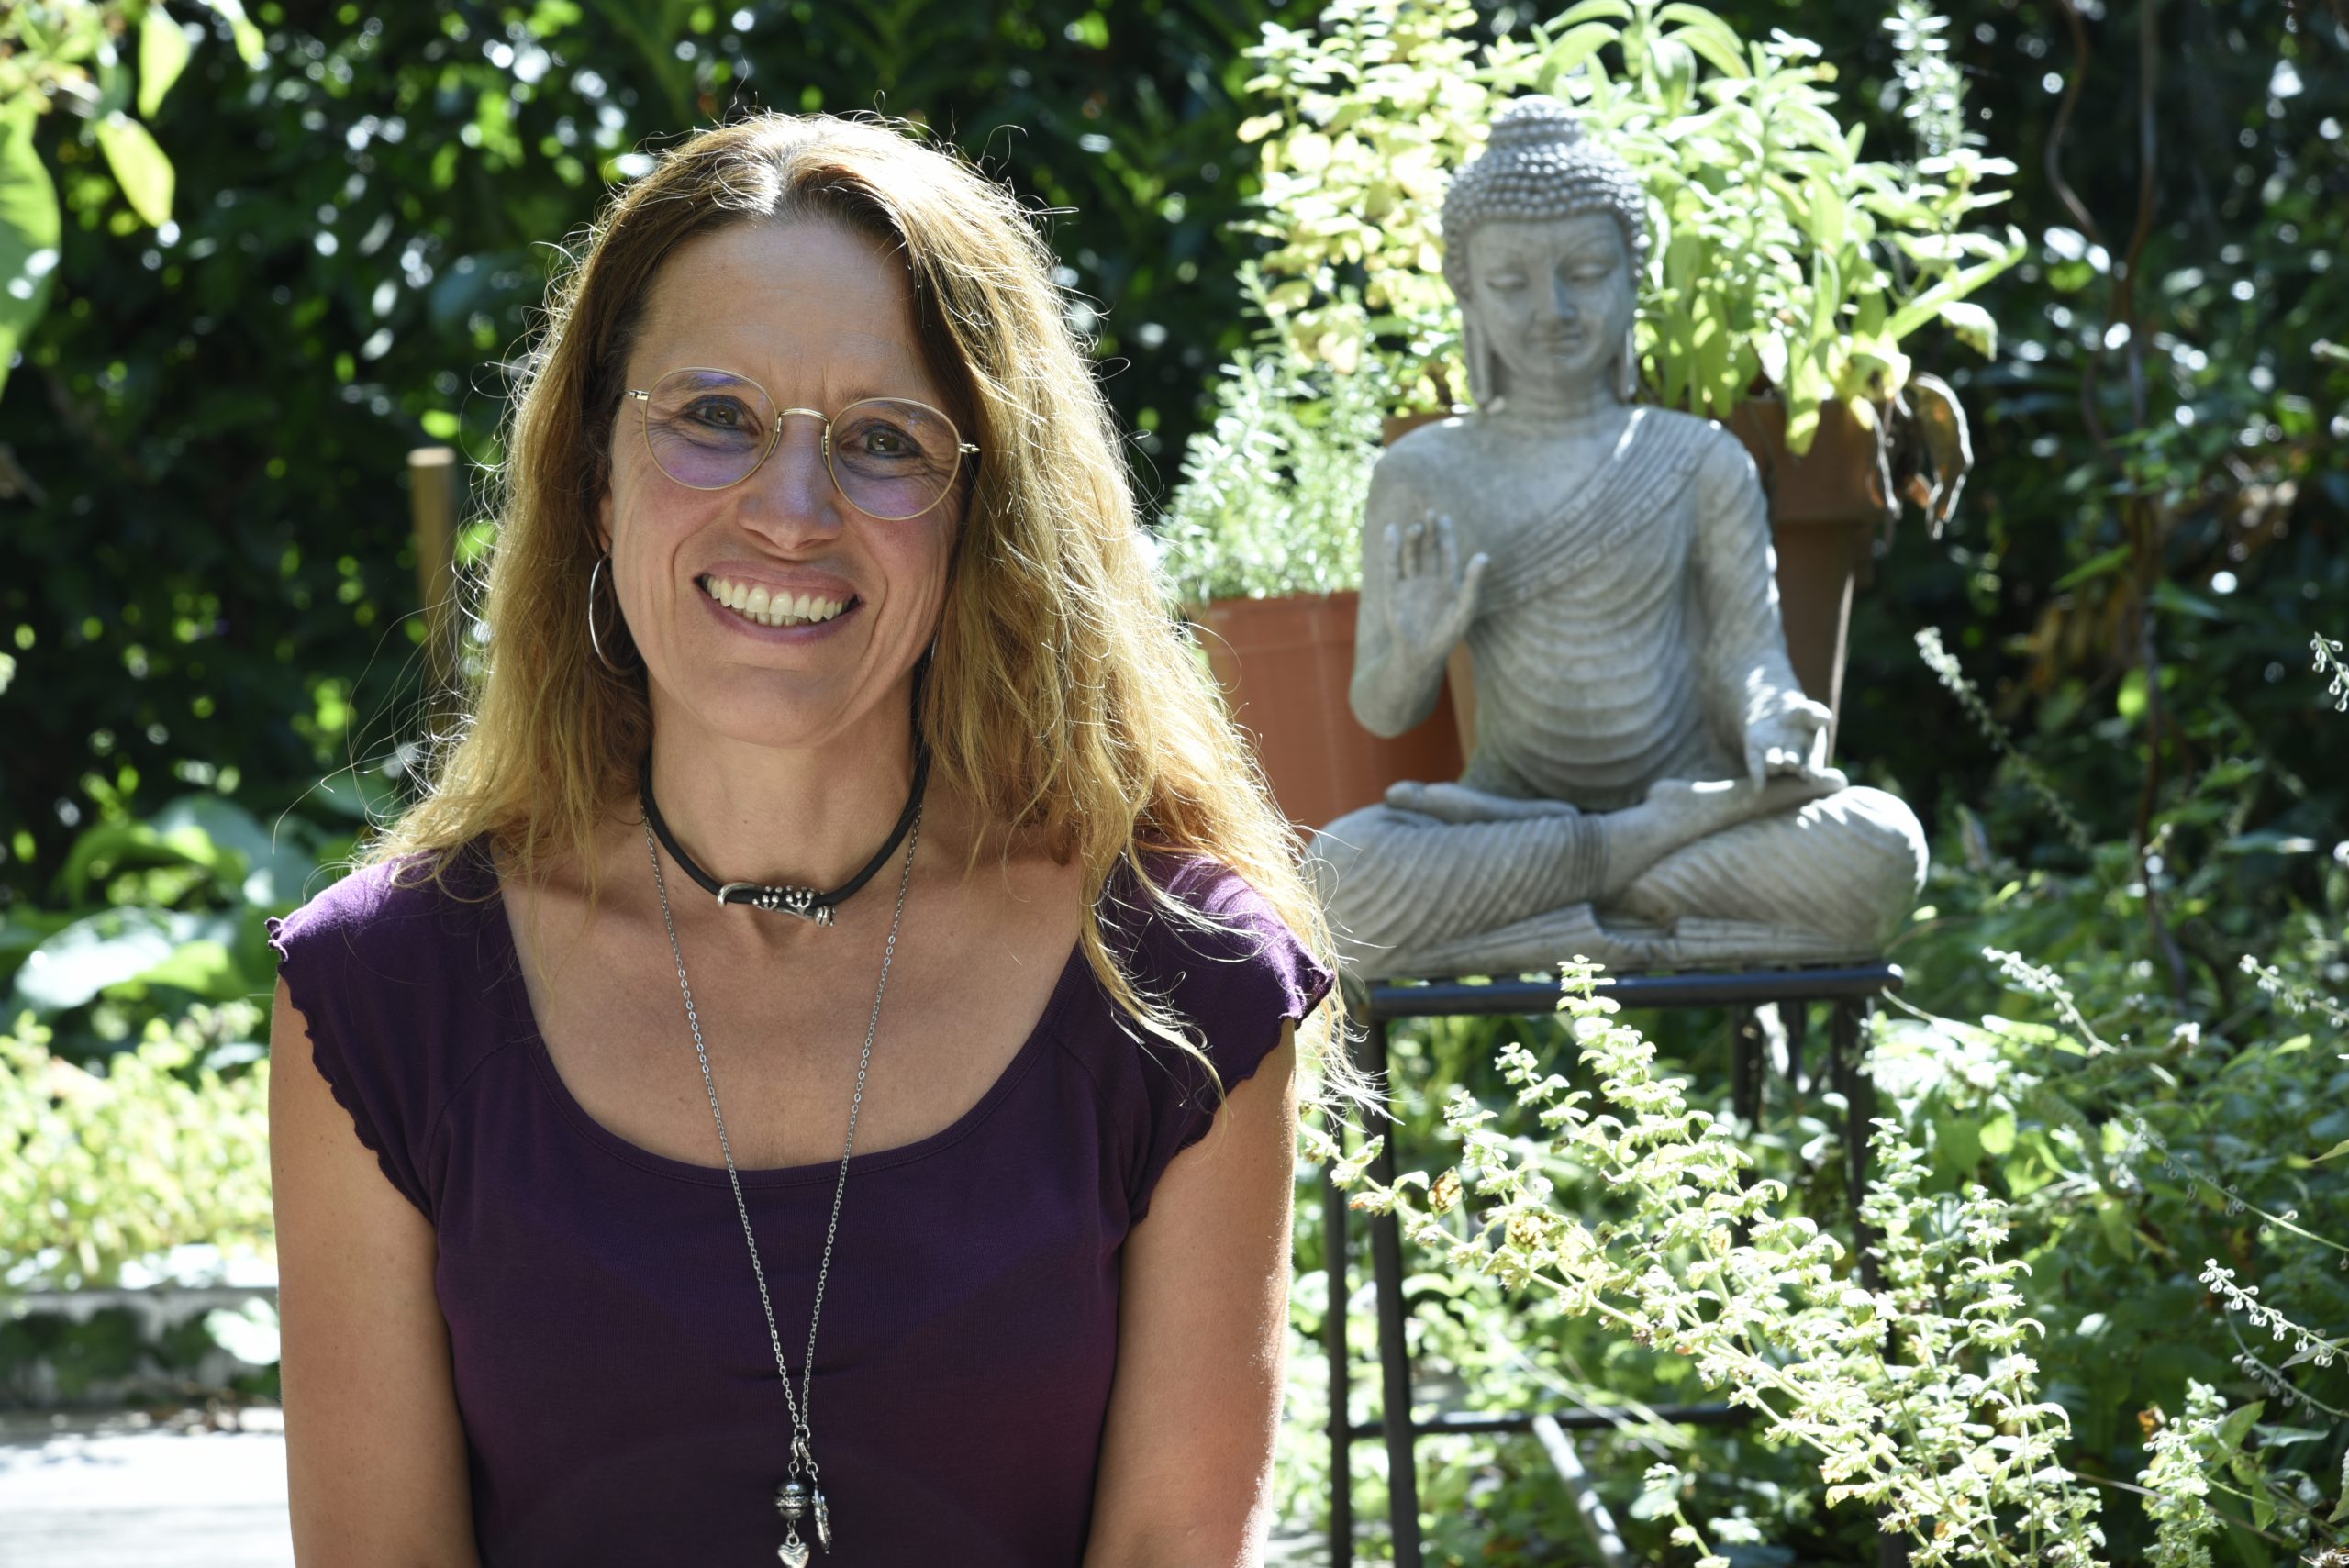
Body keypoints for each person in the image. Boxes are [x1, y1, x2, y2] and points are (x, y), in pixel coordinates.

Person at [267, 112, 1350, 1567]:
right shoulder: (383, 996)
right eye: (713, 414)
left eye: (884, 441)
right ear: (596, 478)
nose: (789, 511)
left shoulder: (1180, 980)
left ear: (985, 511)